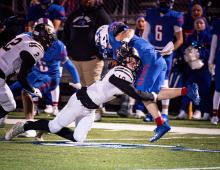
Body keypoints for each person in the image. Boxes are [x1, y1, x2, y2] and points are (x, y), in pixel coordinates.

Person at [5, 45, 199, 142]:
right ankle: (26, 125)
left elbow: (146, 93)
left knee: (78, 139)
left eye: (135, 62)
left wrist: (179, 91)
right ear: (124, 58)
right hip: (80, 102)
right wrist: (147, 96)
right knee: (56, 127)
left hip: (89, 109)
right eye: (132, 60)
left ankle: (44, 127)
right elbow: (133, 91)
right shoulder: (119, 72)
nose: (134, 64)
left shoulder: (127, 74)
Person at [102, 22, 200, 142]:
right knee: (154, 95)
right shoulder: (116, 49)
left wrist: (125, 41)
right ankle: (188, 90)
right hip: (157, 60)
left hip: (150, 61)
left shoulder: (118, 37)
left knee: (142, 94)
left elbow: (129, 31)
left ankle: (161, 124)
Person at [8, 18, 81, 136]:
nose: (49, 39)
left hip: (49, 76)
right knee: (9, 90)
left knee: (26, 92)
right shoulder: (29, 38)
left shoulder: (58, 46)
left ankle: (29, 126)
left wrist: (77, 82)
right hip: (35, 73)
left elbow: (69, 65)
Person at [62, 0, 111, 121]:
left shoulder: (101, 14)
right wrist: (69, 52)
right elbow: (65, 33)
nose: (87, 1)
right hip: (75, 59)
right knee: (81, 88)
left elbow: (108, 35)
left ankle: (96, 112)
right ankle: (83, 111)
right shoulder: (74, 14)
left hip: (92, 59)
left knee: (93, 87)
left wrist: (99, 54)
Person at [0, 22, 54, 121]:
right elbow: (21, 77)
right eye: (48, 36)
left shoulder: (24, 36)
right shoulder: (36, 49)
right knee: (9, 106)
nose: (50, 39)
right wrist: (33, 90)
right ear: (42, 36)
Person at [144, 0, 184, 118]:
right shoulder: (151, 13)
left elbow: (180, 39)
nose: (164, 3)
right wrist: (146, 50)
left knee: (164, 82)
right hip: (152, 50)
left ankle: (165, 113)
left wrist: (171, 50)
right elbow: (145, 35)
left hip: (166, 52)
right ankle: (152, 112)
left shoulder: (174, 16)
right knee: (150, 81)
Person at [177, 17, 212, 120]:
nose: (199, 25)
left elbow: (210, 50)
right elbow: (185, 48)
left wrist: (200, 54)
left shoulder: (208, 36)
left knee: (204, 90)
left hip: (204, 67)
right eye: (197, 23)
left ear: (205, 24)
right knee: (188, 88)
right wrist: (187, 54)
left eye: (201, 23)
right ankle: (183, 110)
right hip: (192, 68)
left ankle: (202, 111)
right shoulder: (191, 37)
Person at [209, 18, 220, 125]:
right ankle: (215, 115)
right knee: (218, 88)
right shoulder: (218, 23)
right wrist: (210, 61)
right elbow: (214, 44)